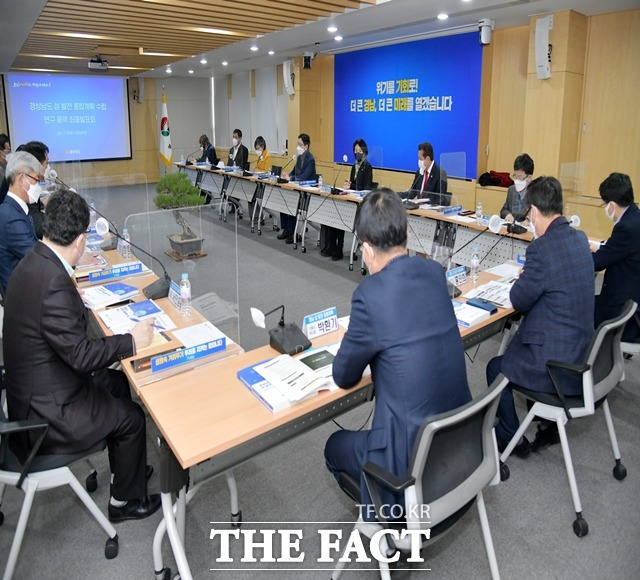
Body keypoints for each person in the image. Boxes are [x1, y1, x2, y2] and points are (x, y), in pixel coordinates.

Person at [3, 188, 161, 523]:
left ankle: (127, 470)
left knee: (117, 384)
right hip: (46, 415)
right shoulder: (53, 283)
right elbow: (80, 355)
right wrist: (131, 341)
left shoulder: (35, 261)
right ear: (80, 240)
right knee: (131, 417)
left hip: (35, 388)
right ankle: (124, 503)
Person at [324, 188, 471, 512]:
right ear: (405, 234)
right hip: (460, 451)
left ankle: (384, 526)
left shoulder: (370, 295)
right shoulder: (435, 274)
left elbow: (344, 376)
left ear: (366, 248)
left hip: (406, 472)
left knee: (334, 447)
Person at [486, 176, 595, 456]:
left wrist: (526, 278)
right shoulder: (580, 239)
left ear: (533, 211)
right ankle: (543, 421)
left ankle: (511, 438)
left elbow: (518, 300)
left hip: (555, 365)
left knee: (495, 367)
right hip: (580, 351)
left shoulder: (541, 248)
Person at [593, 172, 640, 342]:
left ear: (612, 205)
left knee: (578, 307)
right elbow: (618, 250)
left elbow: (597, 263)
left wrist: (577, 254)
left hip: (623, 309)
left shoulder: (626, 227)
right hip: (631, 299)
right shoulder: (635, 216)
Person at [321, 138, 373, 261]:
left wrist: (352, 186)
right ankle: (332, 246)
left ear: (364, 152)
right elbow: (353, 184)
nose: (356, 154)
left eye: (359, 151)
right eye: (355, 151)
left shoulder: (367, 167)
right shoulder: (354, 166)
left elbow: (365, 187)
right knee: (336, 214)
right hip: (350, 199)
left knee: (342, 215)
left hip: (360, 205)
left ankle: (339, 248)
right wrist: (347, 185)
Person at [0, 151, 43, 293]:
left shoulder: (16, 208)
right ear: (21, 179)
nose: (38, 186)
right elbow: (35, 257)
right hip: (23, 297)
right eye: (36, 180)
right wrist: (70, 259)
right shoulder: (10, 216)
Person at [278, 133, 316, 244]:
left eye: (300, 145)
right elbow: (294, 172)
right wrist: (287, 176)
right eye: (297, 144)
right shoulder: (299, 158)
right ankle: (286, 229)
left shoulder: (310, 160)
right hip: (297, 190)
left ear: (306, 146)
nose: (297, 147)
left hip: (307, 194)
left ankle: (291, 231)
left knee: (291, 201)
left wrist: (291, 178)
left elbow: (303, 177)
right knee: (284, 199)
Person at [500, 153, 534, 222]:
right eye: (515, 176)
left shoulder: (537, 192)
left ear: (529, 177)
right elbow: (503, 210)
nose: (517, 180)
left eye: (520, 177)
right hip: (512, 228)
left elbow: (542, 217)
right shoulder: (512, 189)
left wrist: (530, 221)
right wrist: (508, 215)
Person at [225, 128, 249, 217]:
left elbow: (242, 164)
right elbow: (229, 162)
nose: (234, 139)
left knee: (233, 187)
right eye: (233, 137)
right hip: (231, 173)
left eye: (235, 137)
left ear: (240, 138)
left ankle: (235, 205)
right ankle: (233, 205)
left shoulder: (244, 150)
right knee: (224, 188)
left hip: (238, 175)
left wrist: (236, 169)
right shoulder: (231, 150)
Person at [249, 136, 271, 222]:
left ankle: (259, 216)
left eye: (258, 148)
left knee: (255, 194)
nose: (257, 150)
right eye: (256, 148)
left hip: (265, 183)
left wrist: (257, 170)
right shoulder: (260, 155)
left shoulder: (267, 156)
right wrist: (255, 168)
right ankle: (253, 215)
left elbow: (266, 171)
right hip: (258, 181)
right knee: (250, 193)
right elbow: (258, 167)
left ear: (262, 147)